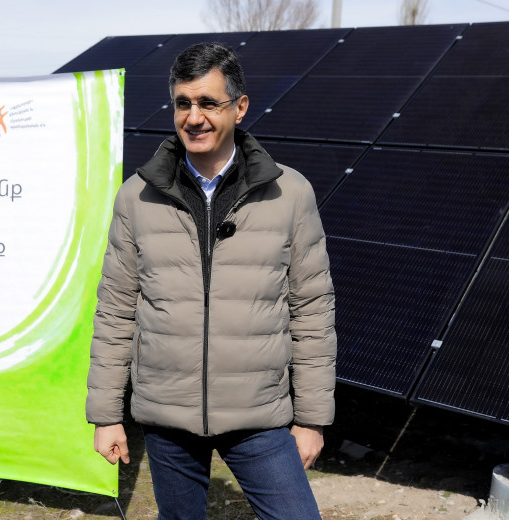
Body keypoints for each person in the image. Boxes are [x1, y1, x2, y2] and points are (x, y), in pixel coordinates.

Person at [86, 42, 336, 520]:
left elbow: (313, 312)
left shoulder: (290, 193)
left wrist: (311, 419)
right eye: (183, 103)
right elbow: (116, 310)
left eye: (208, 103)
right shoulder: (136, 197)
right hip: (167, 416)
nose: (194, 117)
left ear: (239, 108)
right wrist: (106, 415)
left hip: (259, 415)